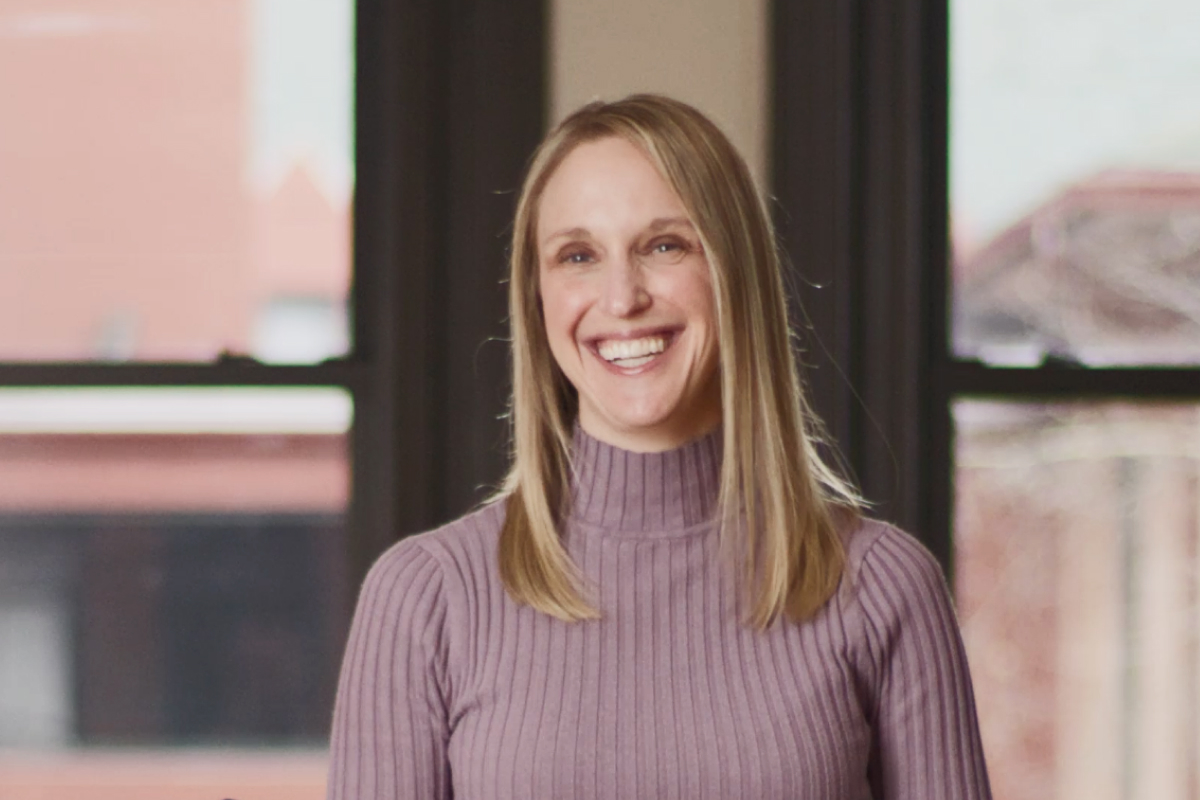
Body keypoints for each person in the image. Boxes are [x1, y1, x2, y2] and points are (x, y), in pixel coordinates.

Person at [327, 94, 992, 799]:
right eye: (577, 255)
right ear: (538, 298)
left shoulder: (883, 587)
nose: (621, 297)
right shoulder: (426, 599)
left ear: (735, 274)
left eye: (664, 245)